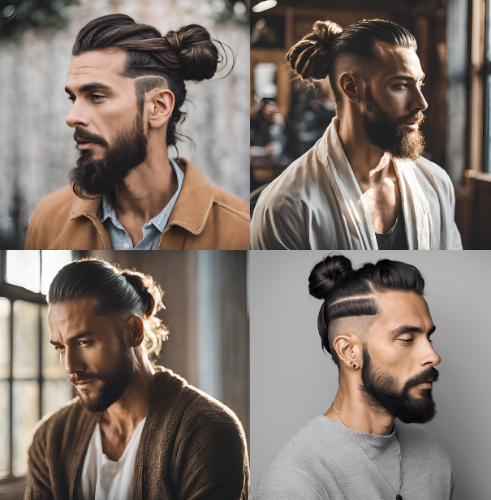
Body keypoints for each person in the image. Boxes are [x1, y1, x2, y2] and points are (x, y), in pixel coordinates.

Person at [25, 259, 249, 500]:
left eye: (83, 342)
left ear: (134, 331)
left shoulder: (207, 433)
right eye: (60, 347)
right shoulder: (50, 439)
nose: (69, 365)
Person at [25, 14, 249, 250]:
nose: (72, 118)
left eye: (96, 96)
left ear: (158, 107)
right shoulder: (48, 220)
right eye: (73, 98)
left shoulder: (241, 230)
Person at [255, 254, 454, 499]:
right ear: (350, 351)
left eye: (428, 338)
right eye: (407, 340)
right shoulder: (294, 481)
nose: (433, 356)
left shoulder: (434, 458)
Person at [251, 19, 462, 250]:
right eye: (401, 85)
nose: (421, 103)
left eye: (419, 84)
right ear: (351, 87)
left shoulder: (436, 184)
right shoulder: (286, 207)